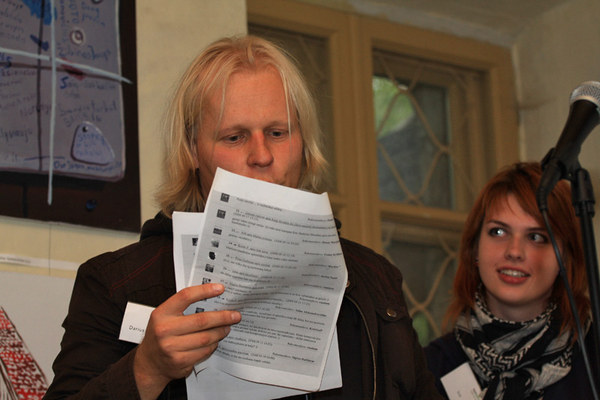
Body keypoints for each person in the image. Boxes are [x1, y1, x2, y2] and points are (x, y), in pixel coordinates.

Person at [44, 35, 442, 400]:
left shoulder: (374, 281)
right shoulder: (114, 283)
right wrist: (147, 369)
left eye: (278, 133)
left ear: (304, 144)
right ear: (192, 151)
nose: (262, 156)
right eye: (234, 137)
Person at [424, 162, 595, 399]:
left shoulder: (593, 359)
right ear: (475, 247)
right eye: (498, 232)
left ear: (565, 258)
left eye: (536, 237)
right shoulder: (430, 368)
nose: (514, 251)